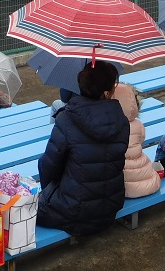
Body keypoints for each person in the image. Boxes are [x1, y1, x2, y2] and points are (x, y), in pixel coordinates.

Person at [37, 61, 128, 236]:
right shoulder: (121, 120)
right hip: (110, 206)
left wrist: (50, 192)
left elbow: (47, 166)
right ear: (107, 92)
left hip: (73, 213)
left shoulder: (66, 119)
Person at [113, 83, 161, 198]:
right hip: (142, 169)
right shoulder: (138, 125)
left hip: (125, 177)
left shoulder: (113, 126)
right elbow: (141, 138)